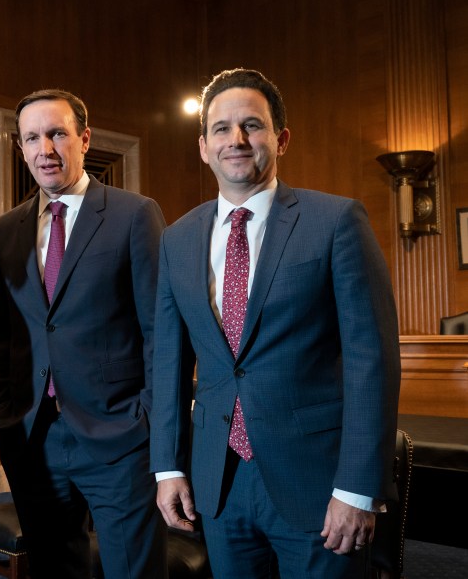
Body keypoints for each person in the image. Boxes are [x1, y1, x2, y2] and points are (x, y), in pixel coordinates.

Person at [150, 68, 401, 578]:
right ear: (203, 146)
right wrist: (168, 466)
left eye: (252, 126)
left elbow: (370, 360)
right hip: (218, 482)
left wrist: (357, 488)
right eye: (221, 129)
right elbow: (168, 363)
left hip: (319, 483)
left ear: (281, 139)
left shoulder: (335, 222)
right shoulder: (177, 239)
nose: (236, 140)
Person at [0, 89, 167, 578]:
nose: (45, 149)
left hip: (119, 434)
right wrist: (4, 420)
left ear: (84, 139)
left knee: (133, 570)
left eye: (57, 134)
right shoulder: (6, 229)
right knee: (54, 568)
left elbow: (159, 333)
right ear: (20, 148)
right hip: (33, 436)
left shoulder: (134, 214)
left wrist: (147, 420)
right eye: (32, 138)